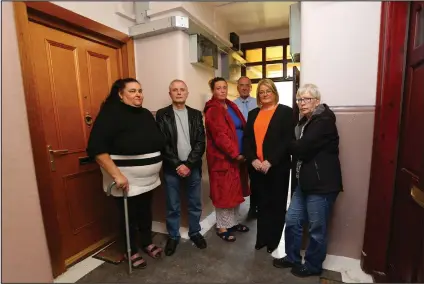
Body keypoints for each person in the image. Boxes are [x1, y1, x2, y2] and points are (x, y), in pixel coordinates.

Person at [87, 78, 165, 269]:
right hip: (125, 179)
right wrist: (117, 175)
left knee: (145, 212)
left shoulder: (146, 114)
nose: (138, 94)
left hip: (149, 179)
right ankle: (131, 250)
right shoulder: (110, 114)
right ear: (120, 95)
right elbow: (97, 149)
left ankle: (146, 242)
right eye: (132, 91)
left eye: (140, 90)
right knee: (128, 216)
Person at [273, 83, 343, 278]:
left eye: (306, 99)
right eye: (299, 99)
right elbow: (302, 148)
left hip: (321, 186)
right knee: (292, 220)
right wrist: (295, 145)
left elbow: (302, 148)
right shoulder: (304, 122)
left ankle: (313, 266)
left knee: (316, 228)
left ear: (317, 101)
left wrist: (288, 143)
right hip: (304, 184)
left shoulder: (324, 120)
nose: (301, 103)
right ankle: (292, 257)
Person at [156, 79, 207, 256]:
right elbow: (162, 143)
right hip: (172, 168)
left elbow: (201, 142)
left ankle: (195, 232)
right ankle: (173, 236)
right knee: (172, 205)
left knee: (194, 202)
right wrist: (178, 165)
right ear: (170, 93)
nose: (179, 92)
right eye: (175, 90)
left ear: (187, 93)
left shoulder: (195, 114)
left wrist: (188, 164)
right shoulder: (162, 115)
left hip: (192, 167)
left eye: (182, 90)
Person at [243, 78, 293, 254]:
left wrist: (270, 161)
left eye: (268, 91)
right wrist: (253, 160)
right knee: (262, 205)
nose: (264, 95)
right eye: (261, 92)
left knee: (277, 205)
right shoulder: (253, 114)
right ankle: (261, 239)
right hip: (257, 169)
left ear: (274, 93)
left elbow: (288, 141)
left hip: (277, 167)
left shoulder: (286, 112)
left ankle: (273, 241)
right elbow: (247, 140)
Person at [204, 77, 250, 242]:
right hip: (223, 159)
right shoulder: (213, 110)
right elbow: (220, 136)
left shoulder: (231, 105)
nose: (222, 90)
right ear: (213, 91)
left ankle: (234, 223)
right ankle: (222, 227)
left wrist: (245, 150)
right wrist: (235, 153)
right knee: (223, 194)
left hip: (238, 158)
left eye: (224, 87)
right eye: (218, 88)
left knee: (235, 193)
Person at [233, 76, 258, 219]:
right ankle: (235, 211)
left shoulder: (257, 103)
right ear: (237, 87)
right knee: (238, 180)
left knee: (255, 180)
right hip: (238, 149)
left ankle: (254, 208)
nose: (244, 88)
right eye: (241, 85)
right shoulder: (232, 105)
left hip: (254, 148)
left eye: (247, 85)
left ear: (250, 87)